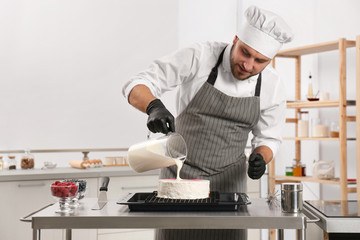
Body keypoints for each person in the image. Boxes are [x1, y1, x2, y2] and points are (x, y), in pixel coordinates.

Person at [122, 5, 293, 240]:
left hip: (230, 184)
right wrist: (153, 107)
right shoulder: (200, 57)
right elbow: (138, 83)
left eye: (260, 61)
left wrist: (261, 157)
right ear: (235, 40)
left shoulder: (272, 86)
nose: (248, 65)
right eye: (245, 52)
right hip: (179, 177)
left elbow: (269, 138)